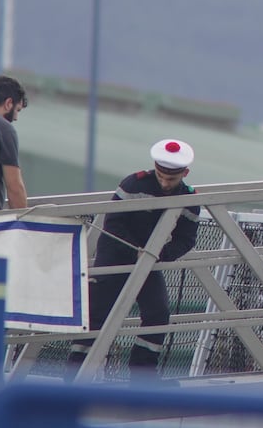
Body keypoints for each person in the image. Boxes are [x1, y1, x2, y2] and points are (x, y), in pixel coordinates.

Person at [68, 139, 200, 380]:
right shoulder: (134, 183)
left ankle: (143, 378)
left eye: (171, 179)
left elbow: (186, 239)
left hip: (150, 259)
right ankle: (74, 377)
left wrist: (159, 255)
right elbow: (114, 223)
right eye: (161, 176)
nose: (164, 182)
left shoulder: (190, 198)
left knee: (157, 314)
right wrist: (136, 250)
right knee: (97, 313)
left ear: (185, 173)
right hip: (115, 254)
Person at [0, 75, 28, 211]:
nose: (15, 118)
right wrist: (24, 226)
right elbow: (14, 187)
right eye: (17, 110)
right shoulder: (3, 128)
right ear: (8, 103)